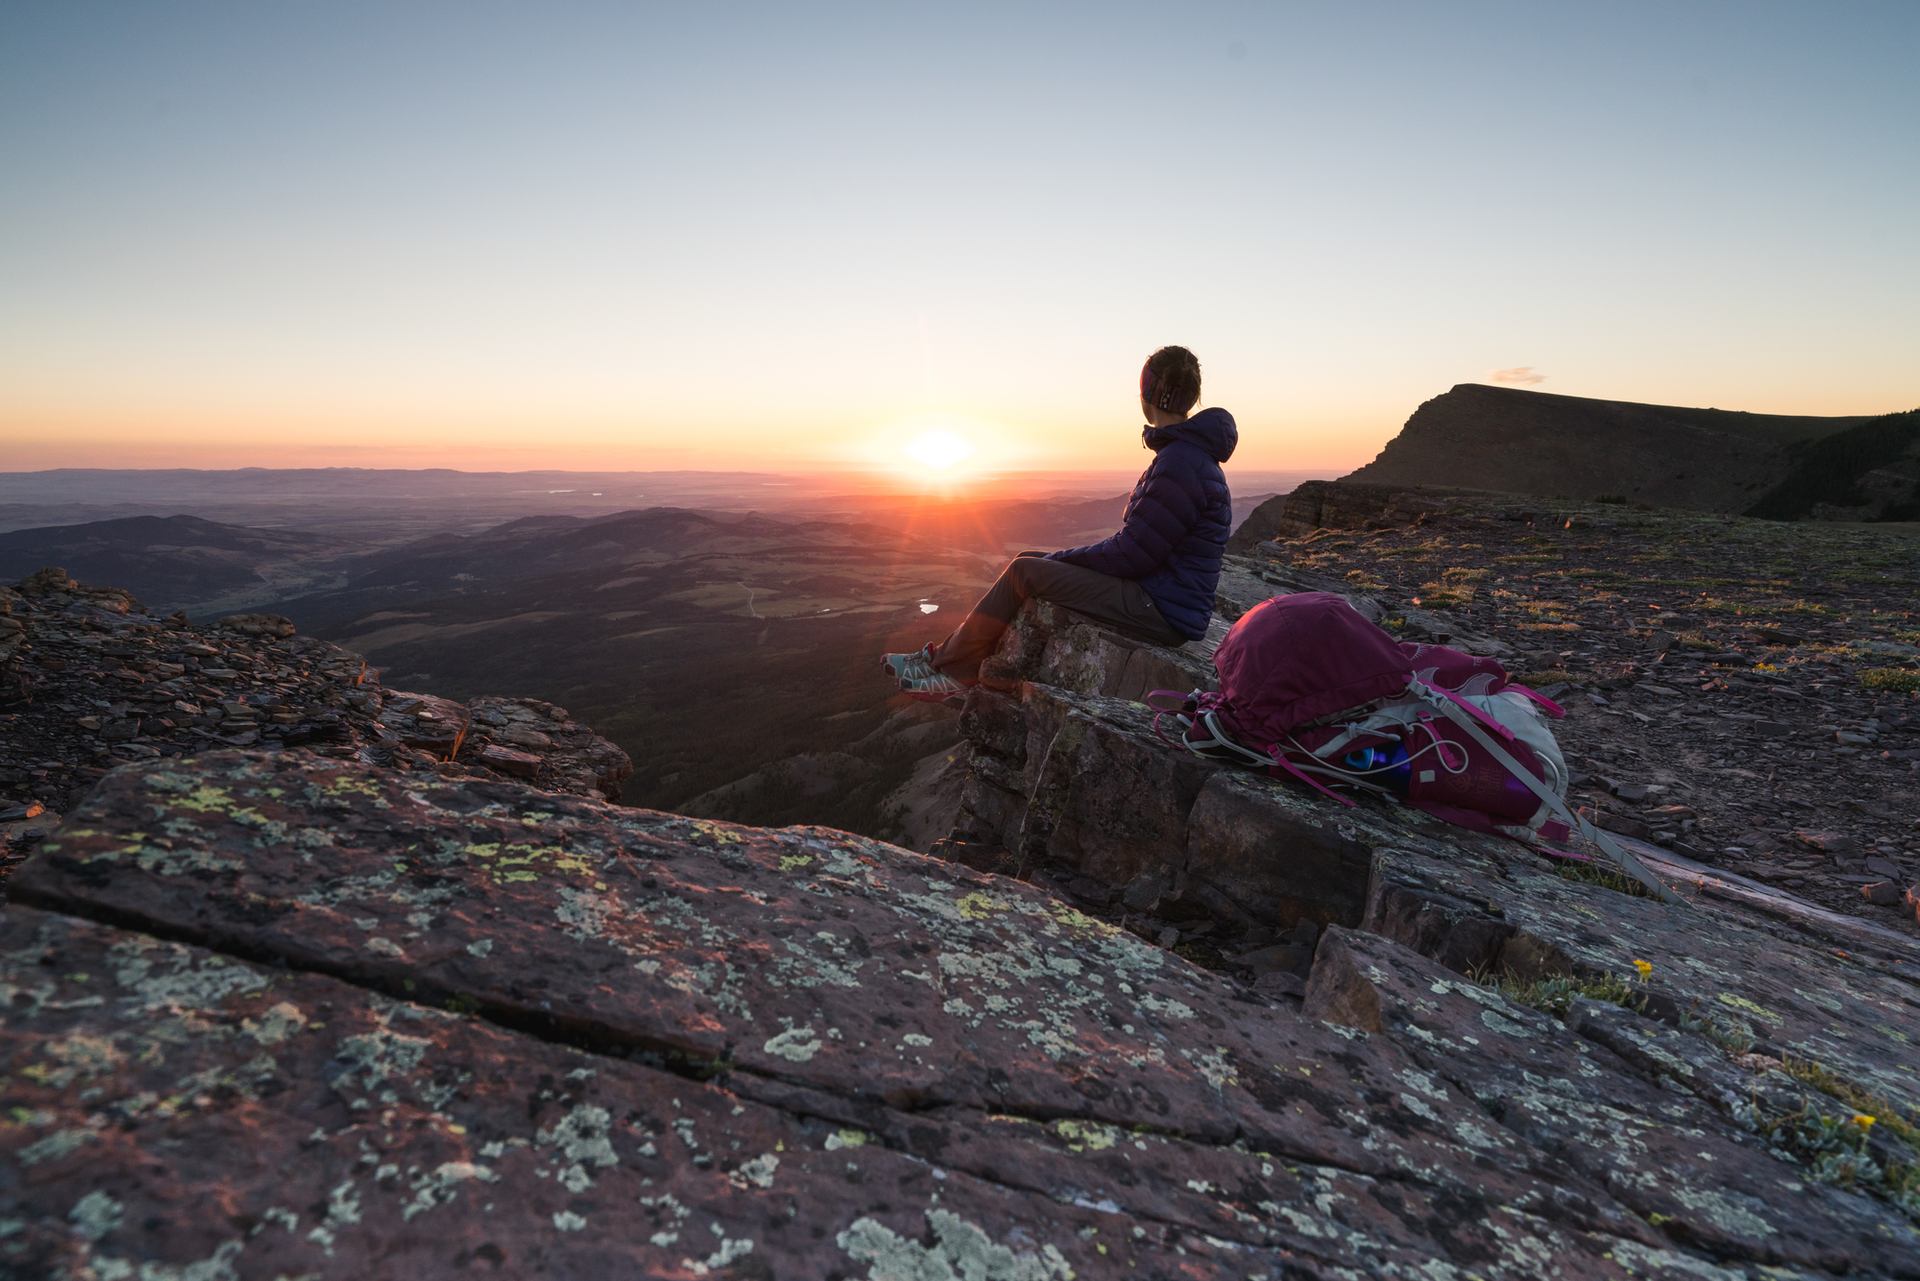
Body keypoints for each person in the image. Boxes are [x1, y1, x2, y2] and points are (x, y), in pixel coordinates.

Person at [883, 345, 1236, 704]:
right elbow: (1143, 549)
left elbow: (1133, 554)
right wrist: (1059, 561)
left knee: (1025, 571)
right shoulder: (1187, 457)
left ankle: (951, 671)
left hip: (1161, 608)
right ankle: (939, 658)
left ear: (1147, 395)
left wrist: (1063, 560)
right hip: (1162, 596)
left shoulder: (1180, 462)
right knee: (1030, 560)